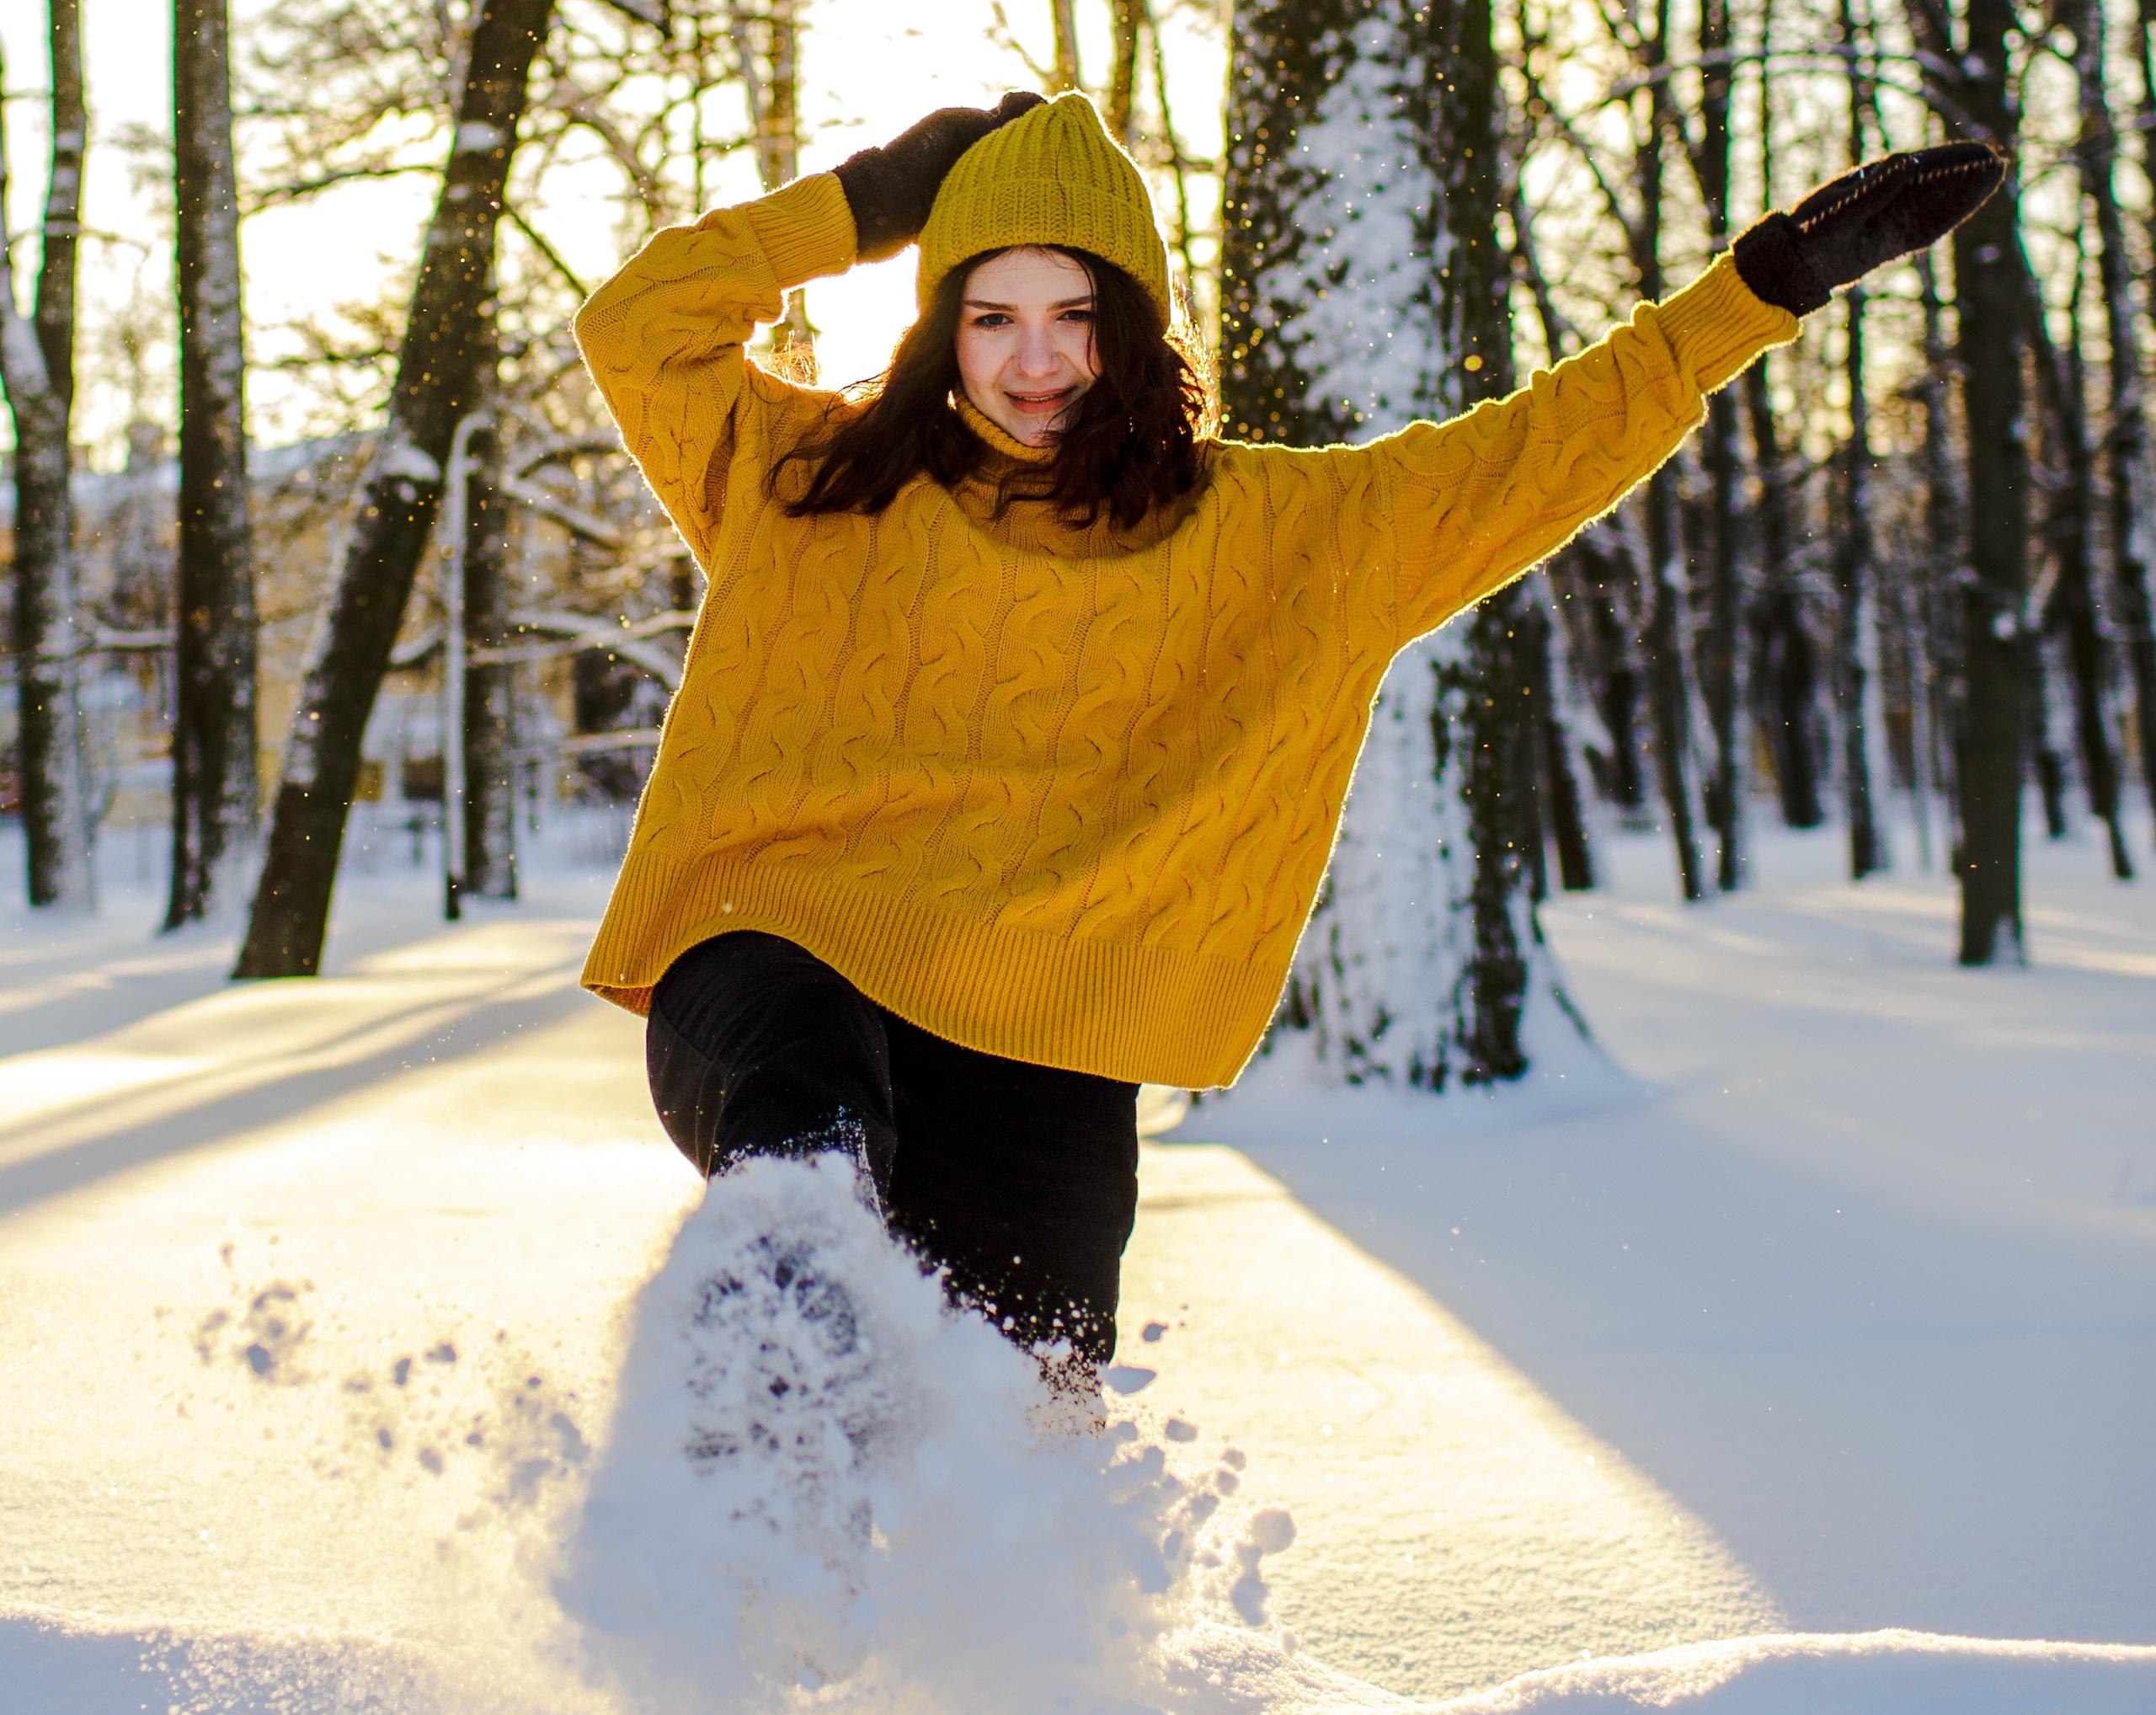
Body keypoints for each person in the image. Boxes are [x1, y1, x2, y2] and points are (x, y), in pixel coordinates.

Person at [574, 88, 1999, 1369]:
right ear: (938, 320)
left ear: (1132, 326)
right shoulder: (803, 476)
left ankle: (954, 1638)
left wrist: (1758, 291)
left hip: (1032, 1021)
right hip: (774, 946)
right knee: (806, 1128)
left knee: (1027, 1397)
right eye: (990, 314)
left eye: (1074, 315)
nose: (1033, 363)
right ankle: (744, 1465)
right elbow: (634, 325)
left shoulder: (1267, 535)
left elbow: (1523, 456)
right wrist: (871, 201)